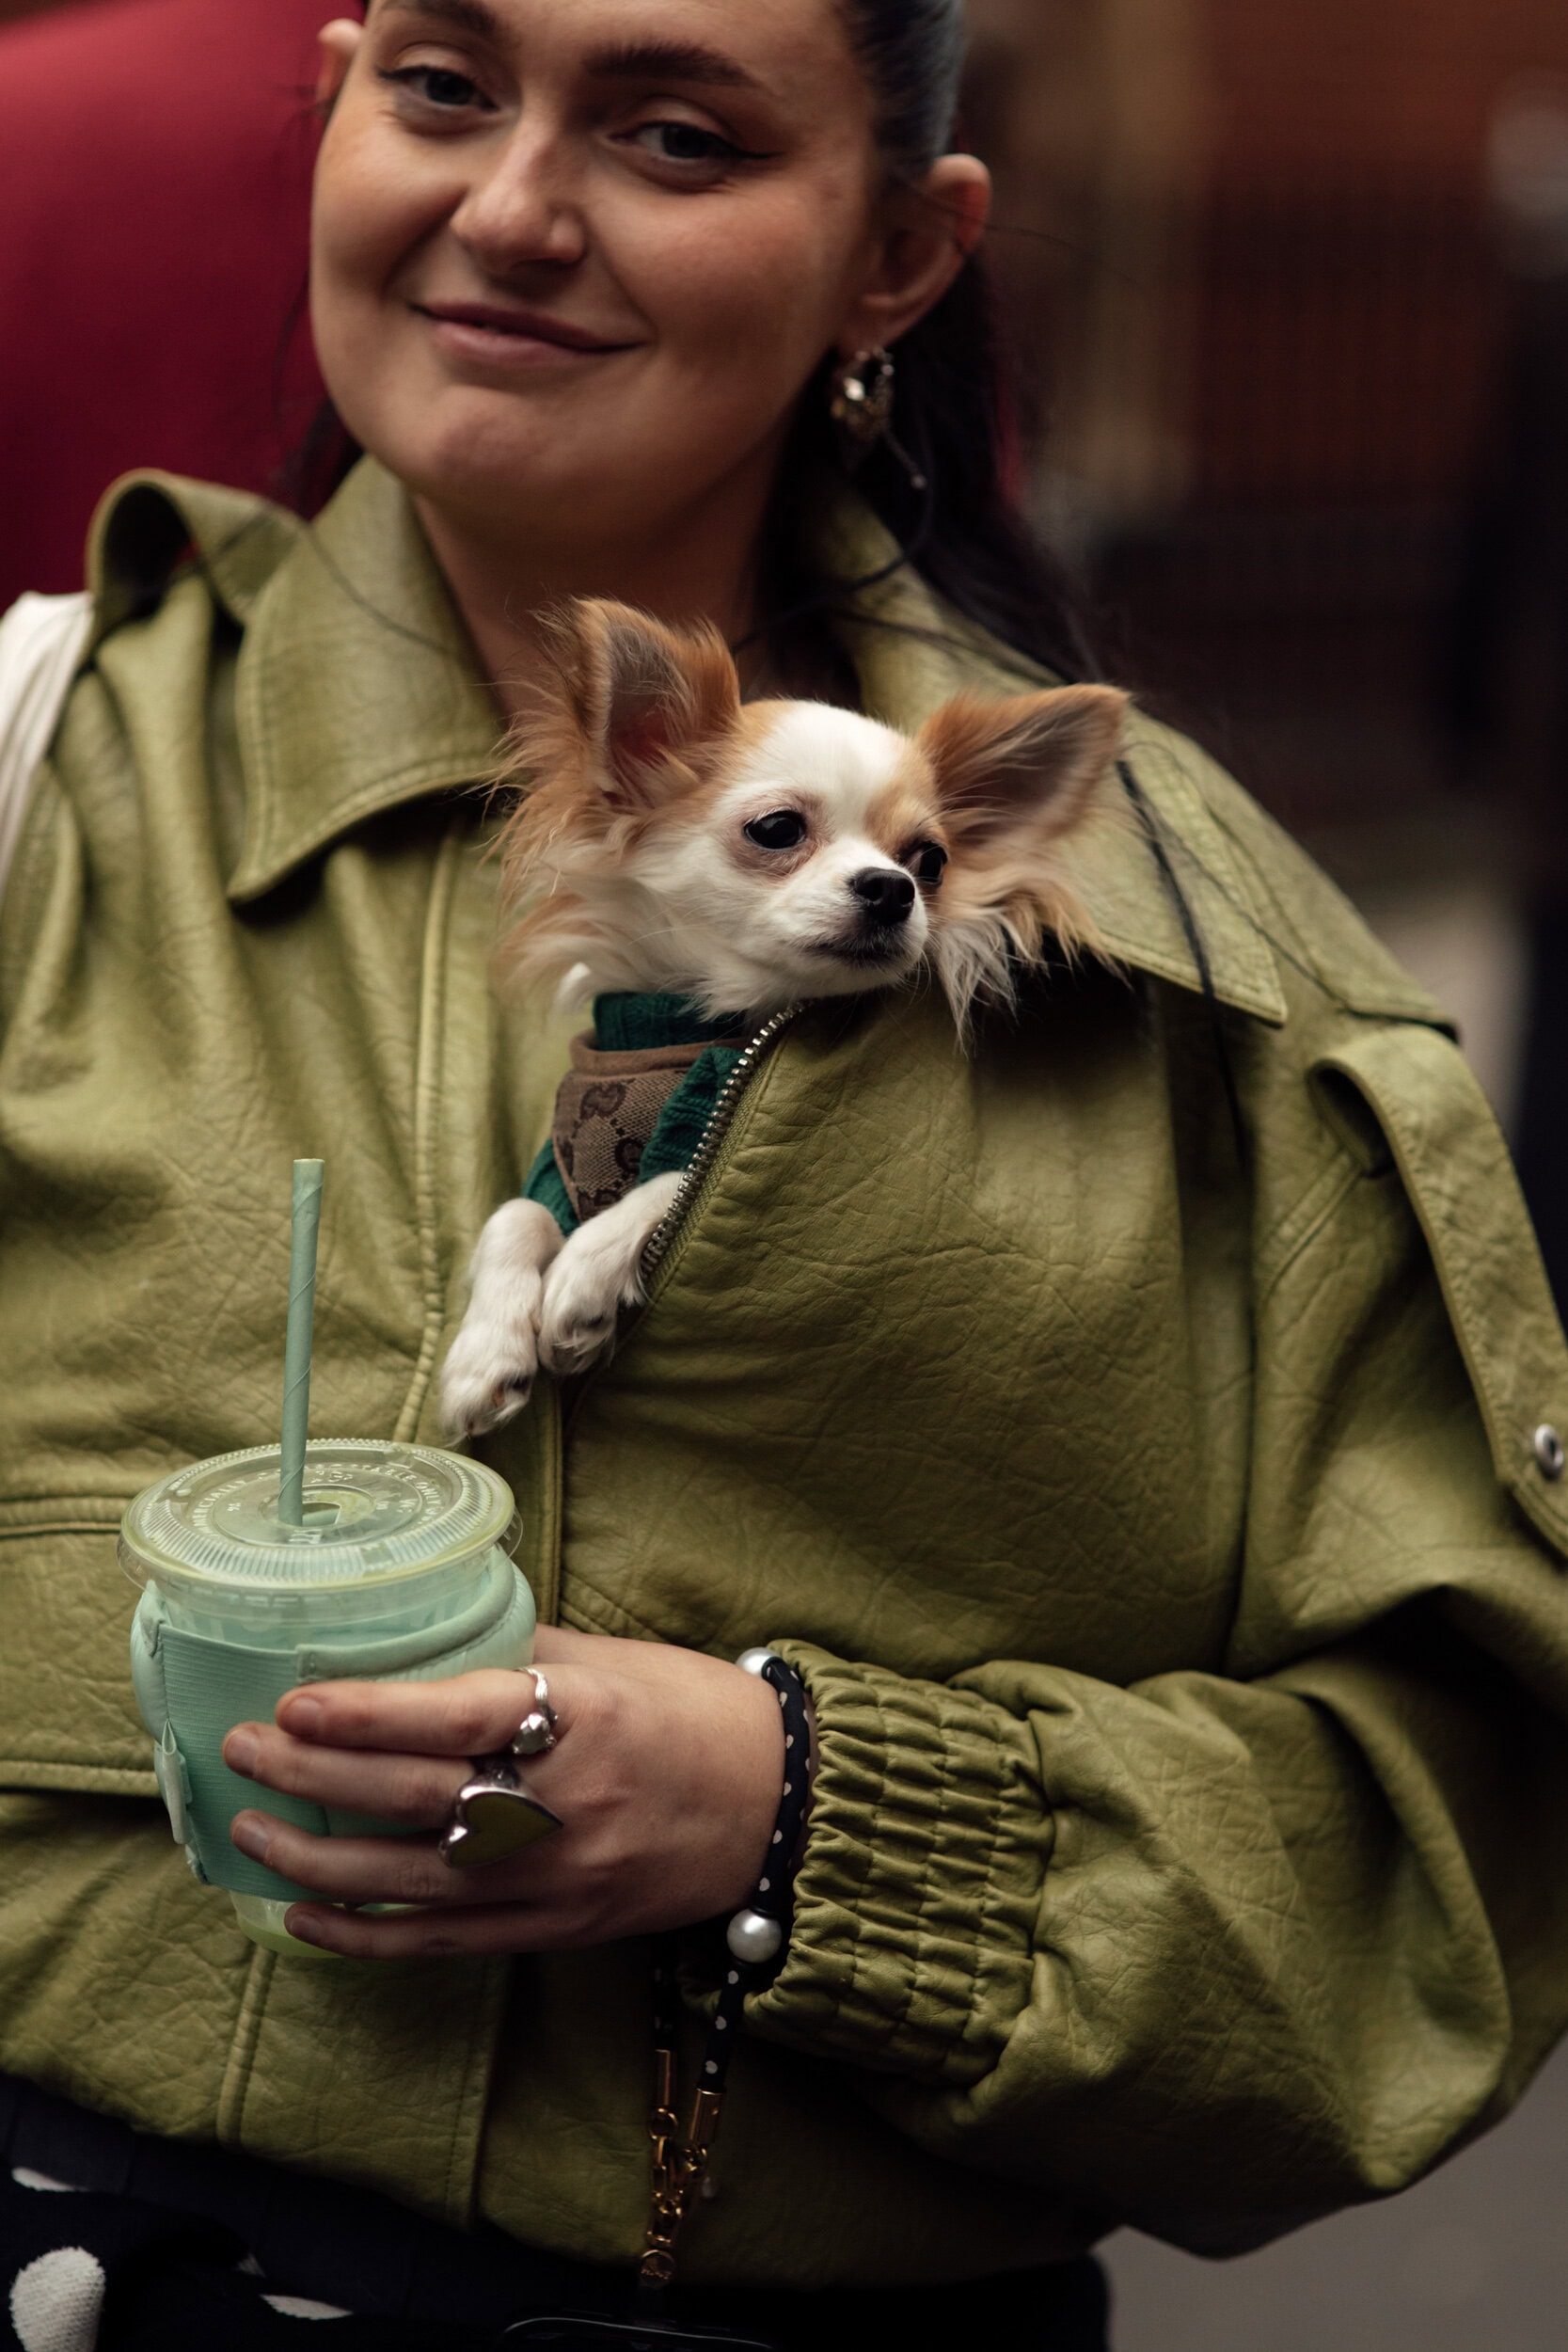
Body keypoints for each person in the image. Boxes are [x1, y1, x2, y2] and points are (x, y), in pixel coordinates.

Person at [3, 1, 1568, 2344]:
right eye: (442, 84)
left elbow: (1445, 1883)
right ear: (327, 96)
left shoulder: (1219, 997)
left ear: (903, 257)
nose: (515, 206)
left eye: (670, 131)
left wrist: (798, 1803)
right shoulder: (41, 774)